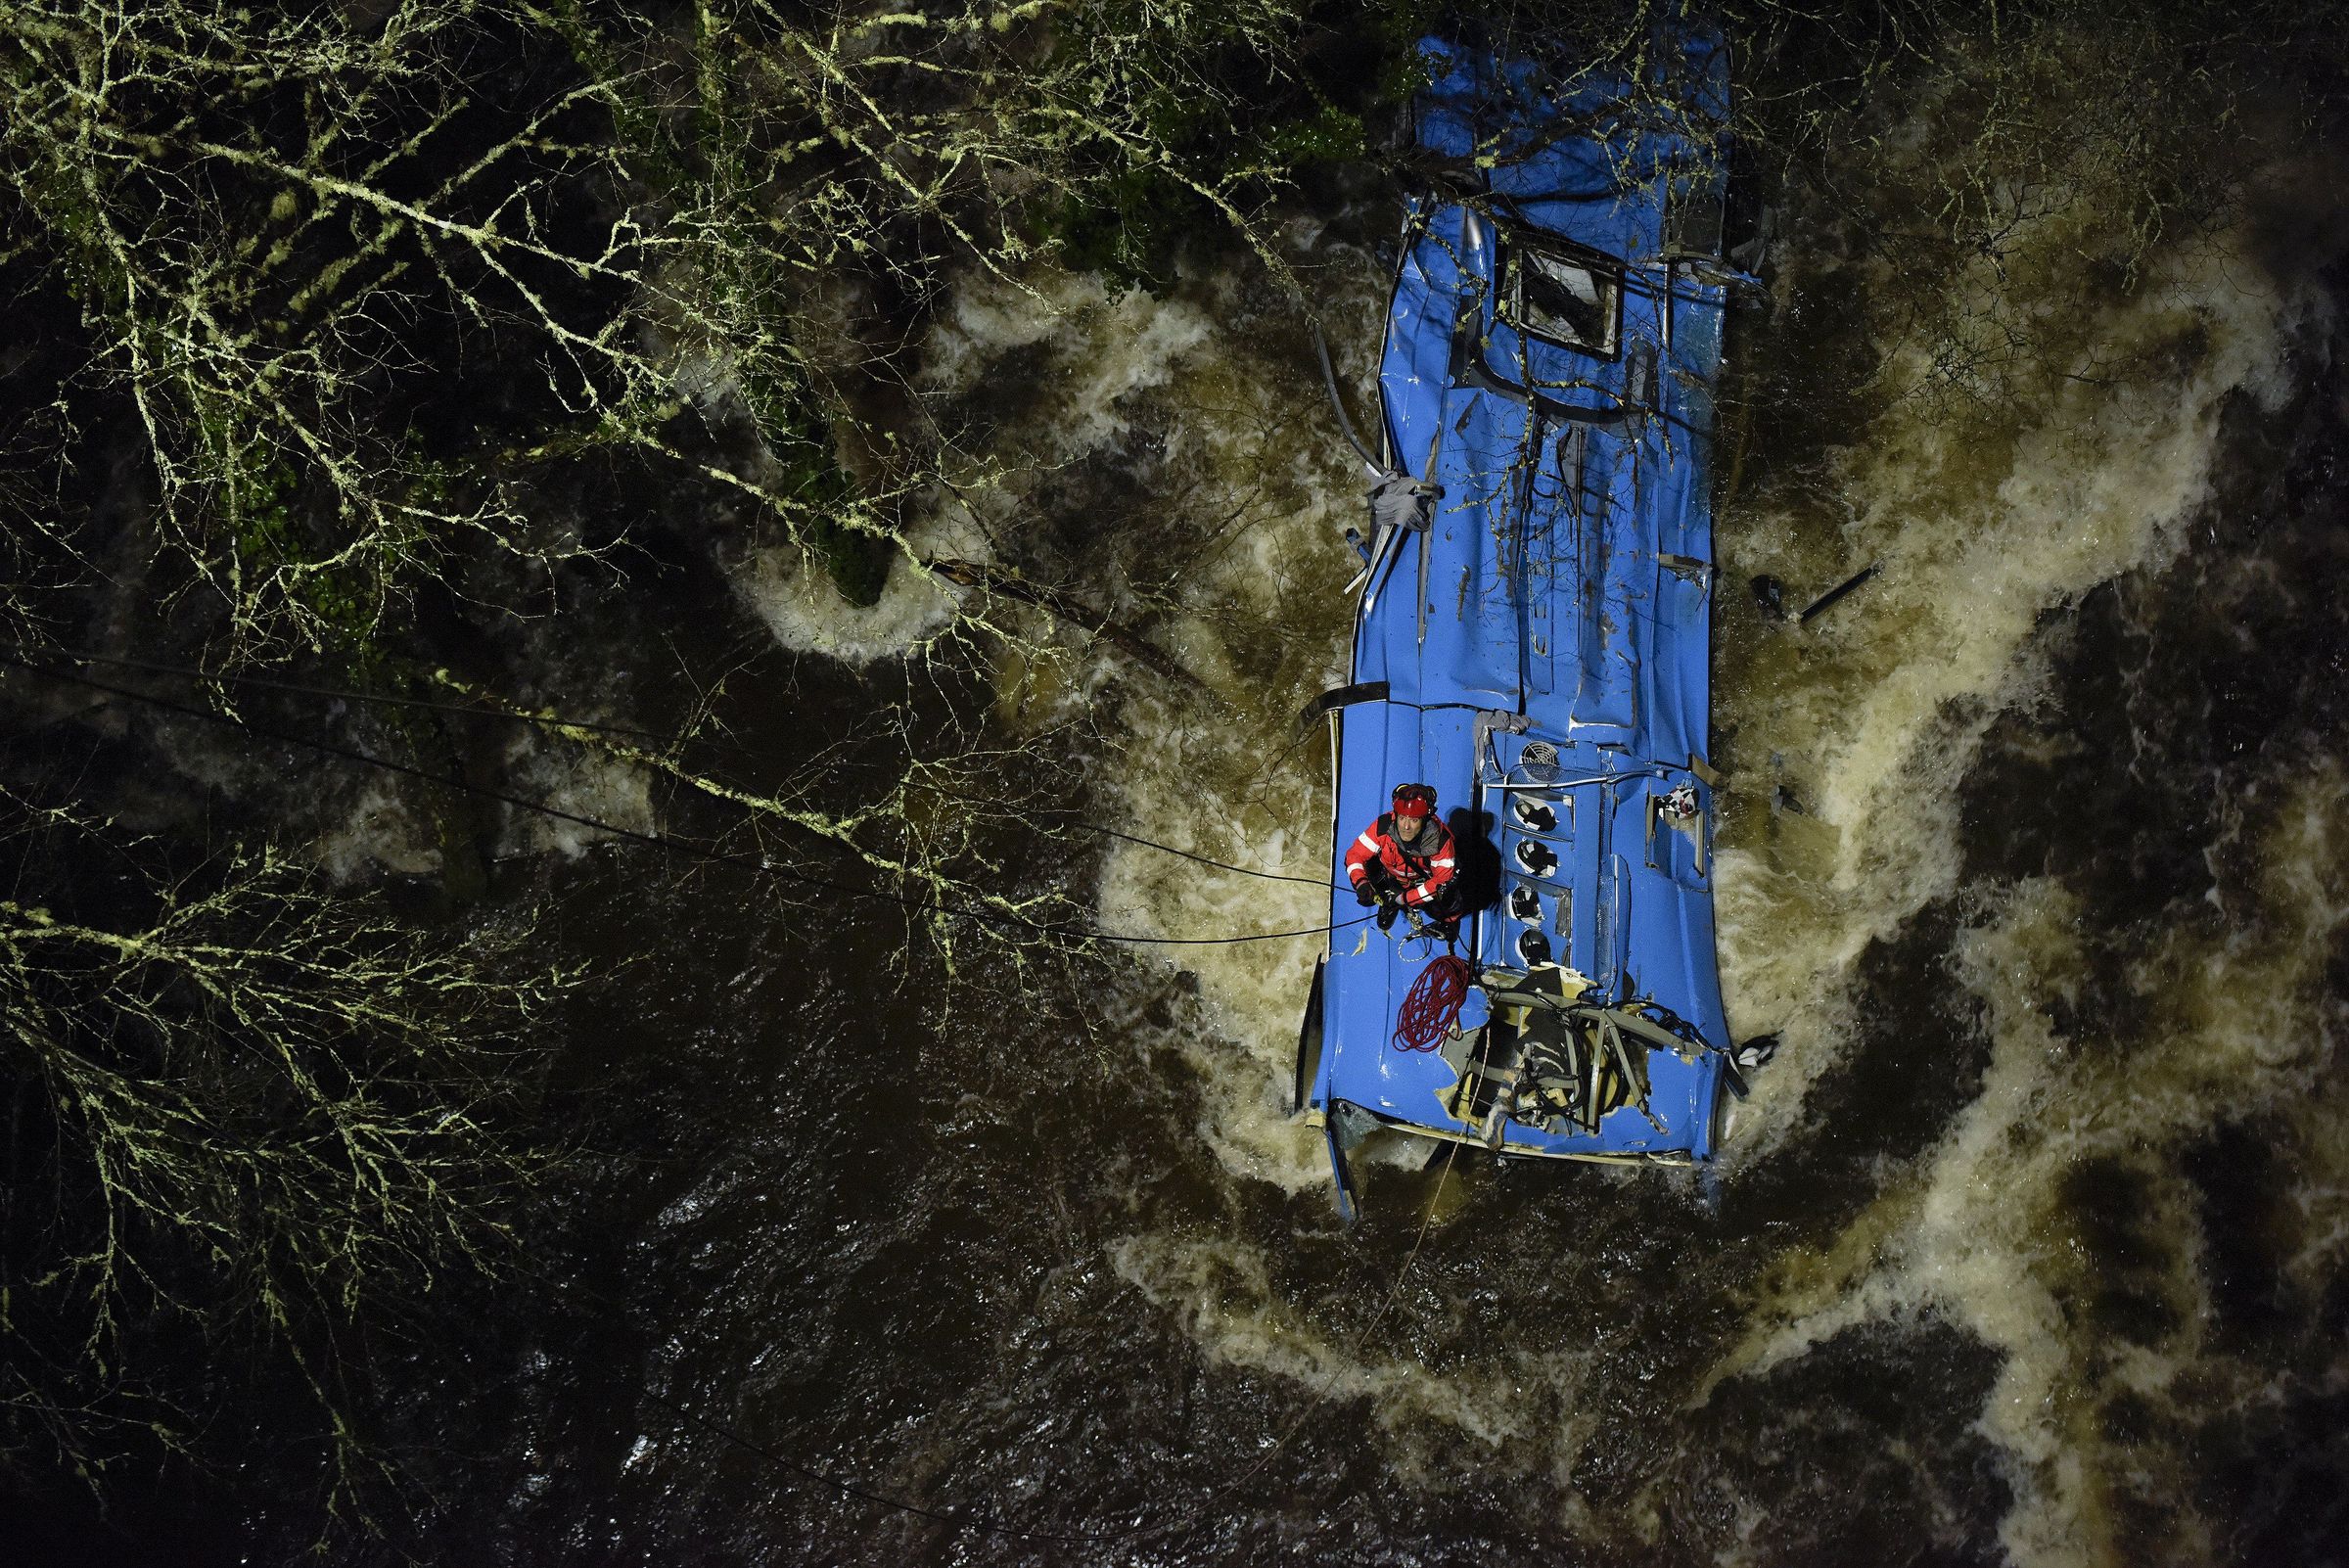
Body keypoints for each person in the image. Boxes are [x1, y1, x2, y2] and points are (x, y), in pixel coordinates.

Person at [1345, 782, 1459, 935]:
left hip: (1422, 883)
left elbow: (1439, 882)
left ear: (1424, 820)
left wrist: (1403, 899)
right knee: (1368, 867)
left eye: (1414, 820)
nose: (1406, 827)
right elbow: (1355, 854)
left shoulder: (1441, 842)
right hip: (1391, 877)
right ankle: (1387, 901)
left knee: (1447, 895)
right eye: (1402, 818)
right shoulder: (1382, 826)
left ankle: (1448, 922)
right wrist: (1361, 883)